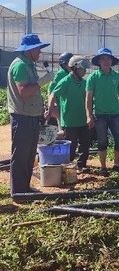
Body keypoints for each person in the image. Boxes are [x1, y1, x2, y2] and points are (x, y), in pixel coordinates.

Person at [7, 34, 52, 195]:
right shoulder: (20, 65)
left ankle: (24, 188)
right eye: (38, 49)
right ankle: (18, 192)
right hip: (22, 116)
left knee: (29, 154)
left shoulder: (29, 65)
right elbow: (23, 92)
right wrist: (42, 82)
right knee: (20, 155)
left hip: (31, 116)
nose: (40, 52)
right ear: (30, 50)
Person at [85, 48, 119, 175]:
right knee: (102, 141)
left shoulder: (116, 77)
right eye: (103, 59)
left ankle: (116, 165)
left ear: (112, 61)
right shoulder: (93, 77)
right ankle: (103, 167)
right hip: (100, 115)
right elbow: (88, 98)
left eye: (108, 59)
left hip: (115, 114)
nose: (106, 61)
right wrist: (89, 116)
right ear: (99, 61)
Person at [47, 56, 92, 172]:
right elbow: (53, 95)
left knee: (85, 144)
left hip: (83, 119)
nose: (85, 70)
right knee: (71, 146)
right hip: (70, 121)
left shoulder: (84, 83)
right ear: (75, 67)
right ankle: (68, 167)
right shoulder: (65, 81)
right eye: (83, 68)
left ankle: (82, 165)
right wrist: (50, 110)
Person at [48, 52, 74, 136]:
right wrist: (53, 105)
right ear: (64, 65)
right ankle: (60, 139)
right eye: (69, 64)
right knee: (61, 122)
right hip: (58, 102)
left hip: (65, 102)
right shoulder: (60, 74)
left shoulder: (71, 74)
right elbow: (51, 90)